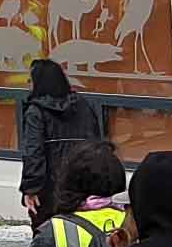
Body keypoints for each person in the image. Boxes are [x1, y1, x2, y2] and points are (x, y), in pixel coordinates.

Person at [11, 57, 104, 221]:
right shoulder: (83, 105)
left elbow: (33, 152)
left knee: (48, 235)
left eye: (30, 80)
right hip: (81, 184)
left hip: (50, 188)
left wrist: (31, 188)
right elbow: (96, 145)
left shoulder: (36, 111)